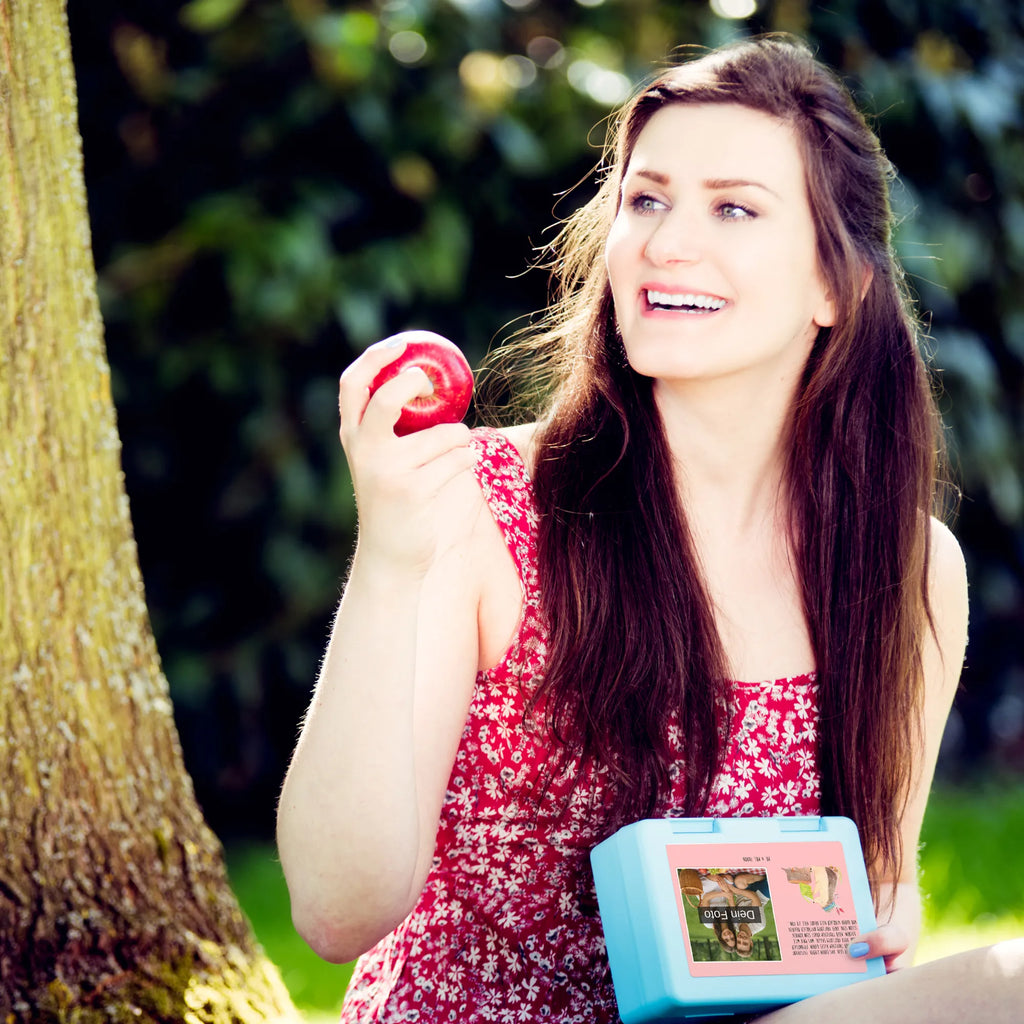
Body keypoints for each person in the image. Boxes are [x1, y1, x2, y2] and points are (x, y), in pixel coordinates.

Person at [276, 34, 1024, 1024]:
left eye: (732, 207)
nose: (667, 241)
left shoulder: (909, 569)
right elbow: (335, 912)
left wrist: (883, 907)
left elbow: (869, 902)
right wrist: (392, 558)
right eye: (645, 198)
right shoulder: (484, 508)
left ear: (832, 287)